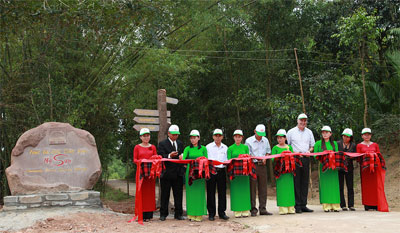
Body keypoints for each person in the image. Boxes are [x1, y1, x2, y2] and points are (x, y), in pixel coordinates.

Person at [287, 113, 315, 213]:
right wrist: (294, 153)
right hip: (295, 158)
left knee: (304, 181)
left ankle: (304, 204)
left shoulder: (309, 132)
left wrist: (309, 151)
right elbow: (288, 146)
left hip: (306, 158)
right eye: (301, 120)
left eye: (305, 120)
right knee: (296, 181)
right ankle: (297, 205)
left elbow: (312, 146)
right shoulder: (291, 132)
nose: (303, 122)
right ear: (297, 121)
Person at [356, 128, 389, 212]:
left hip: (375, 169)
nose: (367, 136)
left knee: (375, 186)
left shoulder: (375, 145)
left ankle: (376, 204)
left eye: (368, 134)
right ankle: (367, 204)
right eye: (365, 134)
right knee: (366, 186)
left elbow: (379, 155)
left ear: (371, 135)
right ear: (362, 136)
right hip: (365, 170)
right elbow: (358, 157)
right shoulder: (359, 145)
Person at [158, 125, 185, 221]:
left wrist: (182, 157)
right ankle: (163, 214)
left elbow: (182, 154)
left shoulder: (180, 143)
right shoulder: (162, 144)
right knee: (165, 194)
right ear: (169, 134)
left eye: (177, 135)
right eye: (173, 134)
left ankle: (178, 214)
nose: (175, 136)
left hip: (178, 173)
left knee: (178, 194)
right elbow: (160, 156)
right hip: (166, 173)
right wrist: (169, 155)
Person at [245, 124, 272, 216]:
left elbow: (268, 152)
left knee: (263, 187)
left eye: (262, 134)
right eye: (259, 133)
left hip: (263, 165)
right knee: (252, 188)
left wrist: (265, 158)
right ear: (255, 131)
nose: (260, 136)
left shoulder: (266, 140)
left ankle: (263, 208)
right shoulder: (248, 141)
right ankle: (253, 209)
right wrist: (253, 159)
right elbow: (247, 154)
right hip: (253, 165)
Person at [182, 130, 208, 222]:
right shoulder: (187, 149)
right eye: (191, 138)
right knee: (191, 193)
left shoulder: (203, 149)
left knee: (199, 193)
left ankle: (199, 214)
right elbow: (184, 160)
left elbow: (206, 160)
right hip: (190, 172)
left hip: (200, 172)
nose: (193, 139)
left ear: (199, 138)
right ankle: (191, 214)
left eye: (195, 137)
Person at [133, 128, 158, 221]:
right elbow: (135, 159)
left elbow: (156, 157)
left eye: (148, 135)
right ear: (140, 137)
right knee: (141, 192)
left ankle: (149, 214)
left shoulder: (153, 147)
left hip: (151, 174)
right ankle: (141, 213)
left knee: (150, 193)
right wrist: (141, 161)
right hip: (141, 173)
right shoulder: (137, 147)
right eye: (144, 136)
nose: (146, 137)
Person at [314, 126, 340, 212]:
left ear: (330, 133)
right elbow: (315, 155)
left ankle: (335, 206)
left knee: (334, 186)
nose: (325, 134)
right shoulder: (318, 143)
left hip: (333, 168)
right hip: (323, 167)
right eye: (323, 132)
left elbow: (337, 154)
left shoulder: (335, 143)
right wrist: (323, 155)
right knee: (325, 186)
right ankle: (327, 206)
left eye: (326, 132)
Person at [206, 129, 229, 221]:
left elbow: (227, 160)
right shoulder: (208, 147)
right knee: (210, 192)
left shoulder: (225, 147)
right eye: (216, 135)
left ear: (222, 137)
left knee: (222, 192)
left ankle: (222, 212)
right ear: (213, 137)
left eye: (219, 135)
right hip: (211, 170)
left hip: (221, 170)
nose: (218, 137)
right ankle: (211, 213)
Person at [271, 129, 296, 215]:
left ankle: (291, 208)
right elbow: (272, 158)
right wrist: (280, 157)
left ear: (285, 138)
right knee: (282, 190)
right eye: (278, 138)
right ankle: (283, 209)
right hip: (280, 172)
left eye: (281, 138)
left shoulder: (289, 147)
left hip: (289, 172)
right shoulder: (275, 148)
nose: (279, 139)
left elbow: (293, 157)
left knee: (290, 189)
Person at [227, 130, 251, 218]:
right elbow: (228, 160)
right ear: (233, 137)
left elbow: (248, 158)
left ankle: (245, 210)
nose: (238, 138)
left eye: (239, 136)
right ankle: (237, 210)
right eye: (236, 136)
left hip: (244, 173)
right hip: (235, 173)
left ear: (242, 138)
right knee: (236, 191)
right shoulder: (230, 148)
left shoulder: (245, 147)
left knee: (245, 190)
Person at [337, 128, 356, 211]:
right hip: (340, 167)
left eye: (348, 137)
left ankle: (351, 205)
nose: (346, 138)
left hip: (349, 167)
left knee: (350, 186)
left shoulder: (353, 145)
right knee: (340, 186)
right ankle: (342, 205)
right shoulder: (338, 144)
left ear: (351, 137)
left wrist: (351, 157)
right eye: (344, 136)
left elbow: (355, 155)